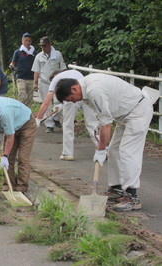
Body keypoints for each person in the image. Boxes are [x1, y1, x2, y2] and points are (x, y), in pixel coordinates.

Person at [55, 73, 155, 212]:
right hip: (124, 115)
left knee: (127, 152)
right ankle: (117, 189)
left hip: (137, 112)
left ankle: (132, 197)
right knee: (114, 149)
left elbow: (106, 124)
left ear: (74, 89)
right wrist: (102, 145)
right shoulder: (86, 90)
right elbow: (103, 119)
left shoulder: (94, 89)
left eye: (71, 99)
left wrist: (101, 150)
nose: (73, 102)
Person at [36, 69, 98, 160]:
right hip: (85, 93)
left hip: (70, 95)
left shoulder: (56, 79)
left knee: (68, 124)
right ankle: (103, 149)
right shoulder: (75, 72)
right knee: (92, 123)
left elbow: (46, 102)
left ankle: (67, 153)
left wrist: (38, 119)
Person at [32, 36, 67, 133]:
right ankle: (49, 125)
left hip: (57, 82)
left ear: (49, 45)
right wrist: (35, 83)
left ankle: (55, 117)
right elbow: (36, 70)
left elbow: (63, 68)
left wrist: (66, 79)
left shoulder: (58, 54)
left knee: (59, 101)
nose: (43, 48)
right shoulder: (39, 56)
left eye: (45, 46)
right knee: (46, 103)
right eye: (42, 46)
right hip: (44, 82)